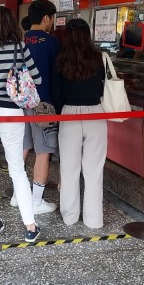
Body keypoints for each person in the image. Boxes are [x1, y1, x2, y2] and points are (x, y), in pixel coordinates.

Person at [0, 6, 42, 242]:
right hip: (13, 113)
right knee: (17, 170)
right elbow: (37, 78)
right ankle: (30, 226)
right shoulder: (21, 48)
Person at [52, 19, 107, 228]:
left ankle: (70, 216)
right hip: (95, 113)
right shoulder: (99, 58)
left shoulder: (61, 60)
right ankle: (94, 220)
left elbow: (57, 94)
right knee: (94, 170)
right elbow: (103, 88)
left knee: (69, 169)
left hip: (68, 115)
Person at [14, 0, 60, 214]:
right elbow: (57, 76)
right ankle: (35, 201)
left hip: (19, 104)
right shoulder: (52, 43)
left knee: (22, 147)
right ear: (46, 18)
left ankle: (17, 194)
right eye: (52, 19)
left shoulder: (18, 41)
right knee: (43, 151)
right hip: (44, 104)